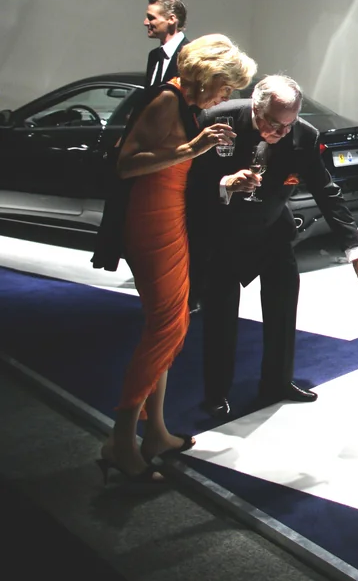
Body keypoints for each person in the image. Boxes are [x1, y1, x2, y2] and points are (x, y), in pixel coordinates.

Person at [92, 34, 257, 484]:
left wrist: (223, 175)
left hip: (170, 219)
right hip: (148, 222)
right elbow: (127, 163)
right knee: (166, 326)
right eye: (226, 86)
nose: (227, 96)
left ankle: (156, 433)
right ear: (209, 75)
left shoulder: (185, 106)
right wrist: (192, 148)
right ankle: (120, 441)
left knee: (172, 324)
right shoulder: (166, 99)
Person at [187, 74, 358, 419]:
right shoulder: (218, 119)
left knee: (282, 309)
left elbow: (327, 193)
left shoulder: (304, 135)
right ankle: (216, 393)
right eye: (273, 124)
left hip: (272, 231)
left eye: (288, 125)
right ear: (256, 107)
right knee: (220, 319)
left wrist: (357, 253)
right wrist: (224, 184)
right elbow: (188, 180)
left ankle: (277, 382)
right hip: (222, 234)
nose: (281, 133)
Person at [143, 0, 190, 88]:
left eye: (151, 18)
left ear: (171, 19)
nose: (145, 22)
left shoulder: (190, 55)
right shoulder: (154, 55)